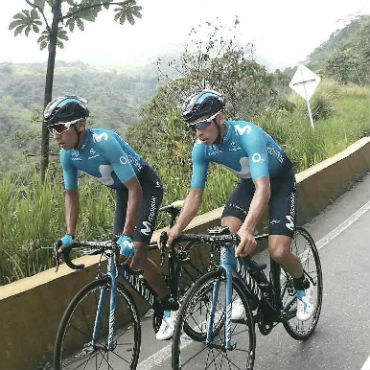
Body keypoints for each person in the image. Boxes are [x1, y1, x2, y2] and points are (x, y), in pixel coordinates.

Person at [164, 89, 315, 321]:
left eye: (203, 124)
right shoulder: (201, 148)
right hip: (248, 183)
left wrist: (249, 226)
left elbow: (264, 188)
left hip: (278, 182)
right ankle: (255, 293)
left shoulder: (248, 135)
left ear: (220, 118)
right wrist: (176, 229)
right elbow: (195, 195)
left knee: (278, 251)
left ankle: (302, 284)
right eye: (192, 127)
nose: (198, 132)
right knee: (227, 237)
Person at [44, 95, 176, 340]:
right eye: (53, 129)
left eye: (61, 128)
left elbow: (136, 189)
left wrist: (128, 235)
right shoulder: (68, 154)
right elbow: (71, 194)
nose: (56, 136)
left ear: (80, 125)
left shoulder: (105, 142)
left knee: (135, 251)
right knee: (121, 257)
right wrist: (69, 234)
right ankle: (156, 291)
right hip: (123, 191)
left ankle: (168, 306)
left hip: (145, 187)